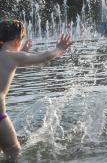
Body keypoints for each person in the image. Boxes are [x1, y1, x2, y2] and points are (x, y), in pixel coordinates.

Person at [0, 20, 73, 162]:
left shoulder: (6, 56)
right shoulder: (13, 56)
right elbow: (44, 57)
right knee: (13, 150)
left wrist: (23, 52)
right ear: (17, 40)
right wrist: (59, 48)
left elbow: (9, 67)